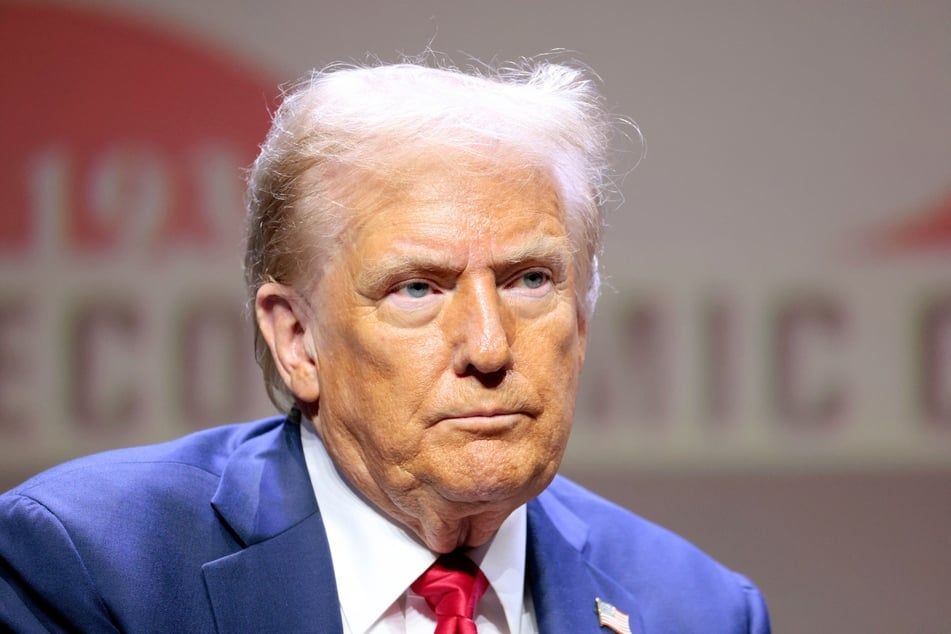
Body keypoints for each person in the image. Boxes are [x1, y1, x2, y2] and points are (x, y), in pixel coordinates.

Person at [0, 58, 770, 633]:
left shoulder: (697, 609)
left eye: (530, 280)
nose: (489, 346)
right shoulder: (90, 568)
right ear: (296, 338)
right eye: (417, 288)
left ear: (583, 316)